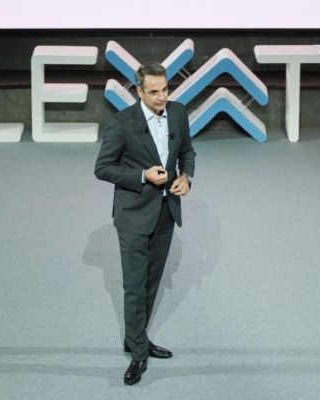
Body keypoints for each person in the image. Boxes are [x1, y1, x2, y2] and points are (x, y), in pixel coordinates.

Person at [94, 62, 196, 385]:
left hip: (166, 212)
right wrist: (142, 176)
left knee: (152, 283)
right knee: (134, 287)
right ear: (139, 91)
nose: (162, 97)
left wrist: (186, 177)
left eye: (165, 89)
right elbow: (103, 168)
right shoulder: (122, 123)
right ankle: (138, 353)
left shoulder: (178, 113)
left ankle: (135, 337)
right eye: (154, 92)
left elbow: (188, 152)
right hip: (134, 216)